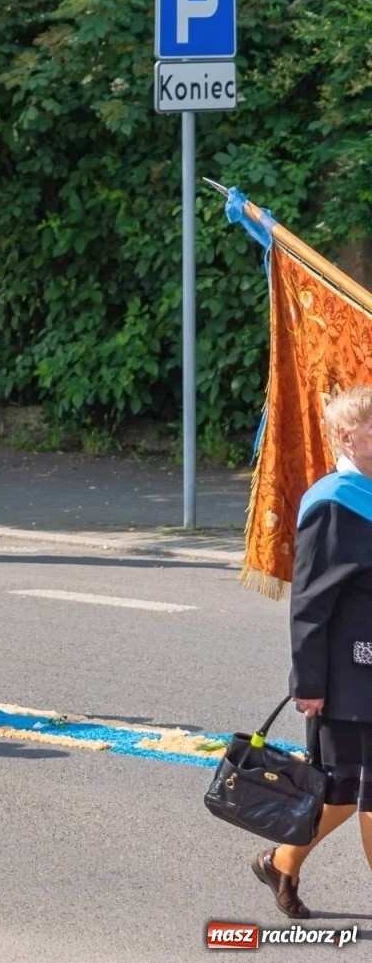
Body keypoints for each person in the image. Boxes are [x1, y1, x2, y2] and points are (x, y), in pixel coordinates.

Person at [251, 386, 372, 919]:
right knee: (360, 792)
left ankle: (280, 861)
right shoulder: (333, 502)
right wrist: (310, 683)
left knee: (343, 792)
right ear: (348, 436)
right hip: (351, 673)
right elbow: (310, 603)